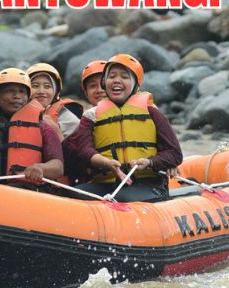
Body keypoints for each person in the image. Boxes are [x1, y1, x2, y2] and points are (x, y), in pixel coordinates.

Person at [65, 53, 183, 203]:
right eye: (112, 76)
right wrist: (106, 162)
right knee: (70, 194)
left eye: (124, 77)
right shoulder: (90, 116)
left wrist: (150, 162)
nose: (117, 80)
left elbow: (175, 153)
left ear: (135, 84)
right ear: (105, 82)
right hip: (107, 184)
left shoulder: (152, 112)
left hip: (148, 185)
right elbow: (84, 151)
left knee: (121, 198)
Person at [25, 61, 84, 139]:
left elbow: (77, 147)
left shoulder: (65, 116)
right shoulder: (16, 112)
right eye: (35, 86)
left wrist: (56, 130)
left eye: (47, 86)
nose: (41, 91)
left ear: (55, 91)